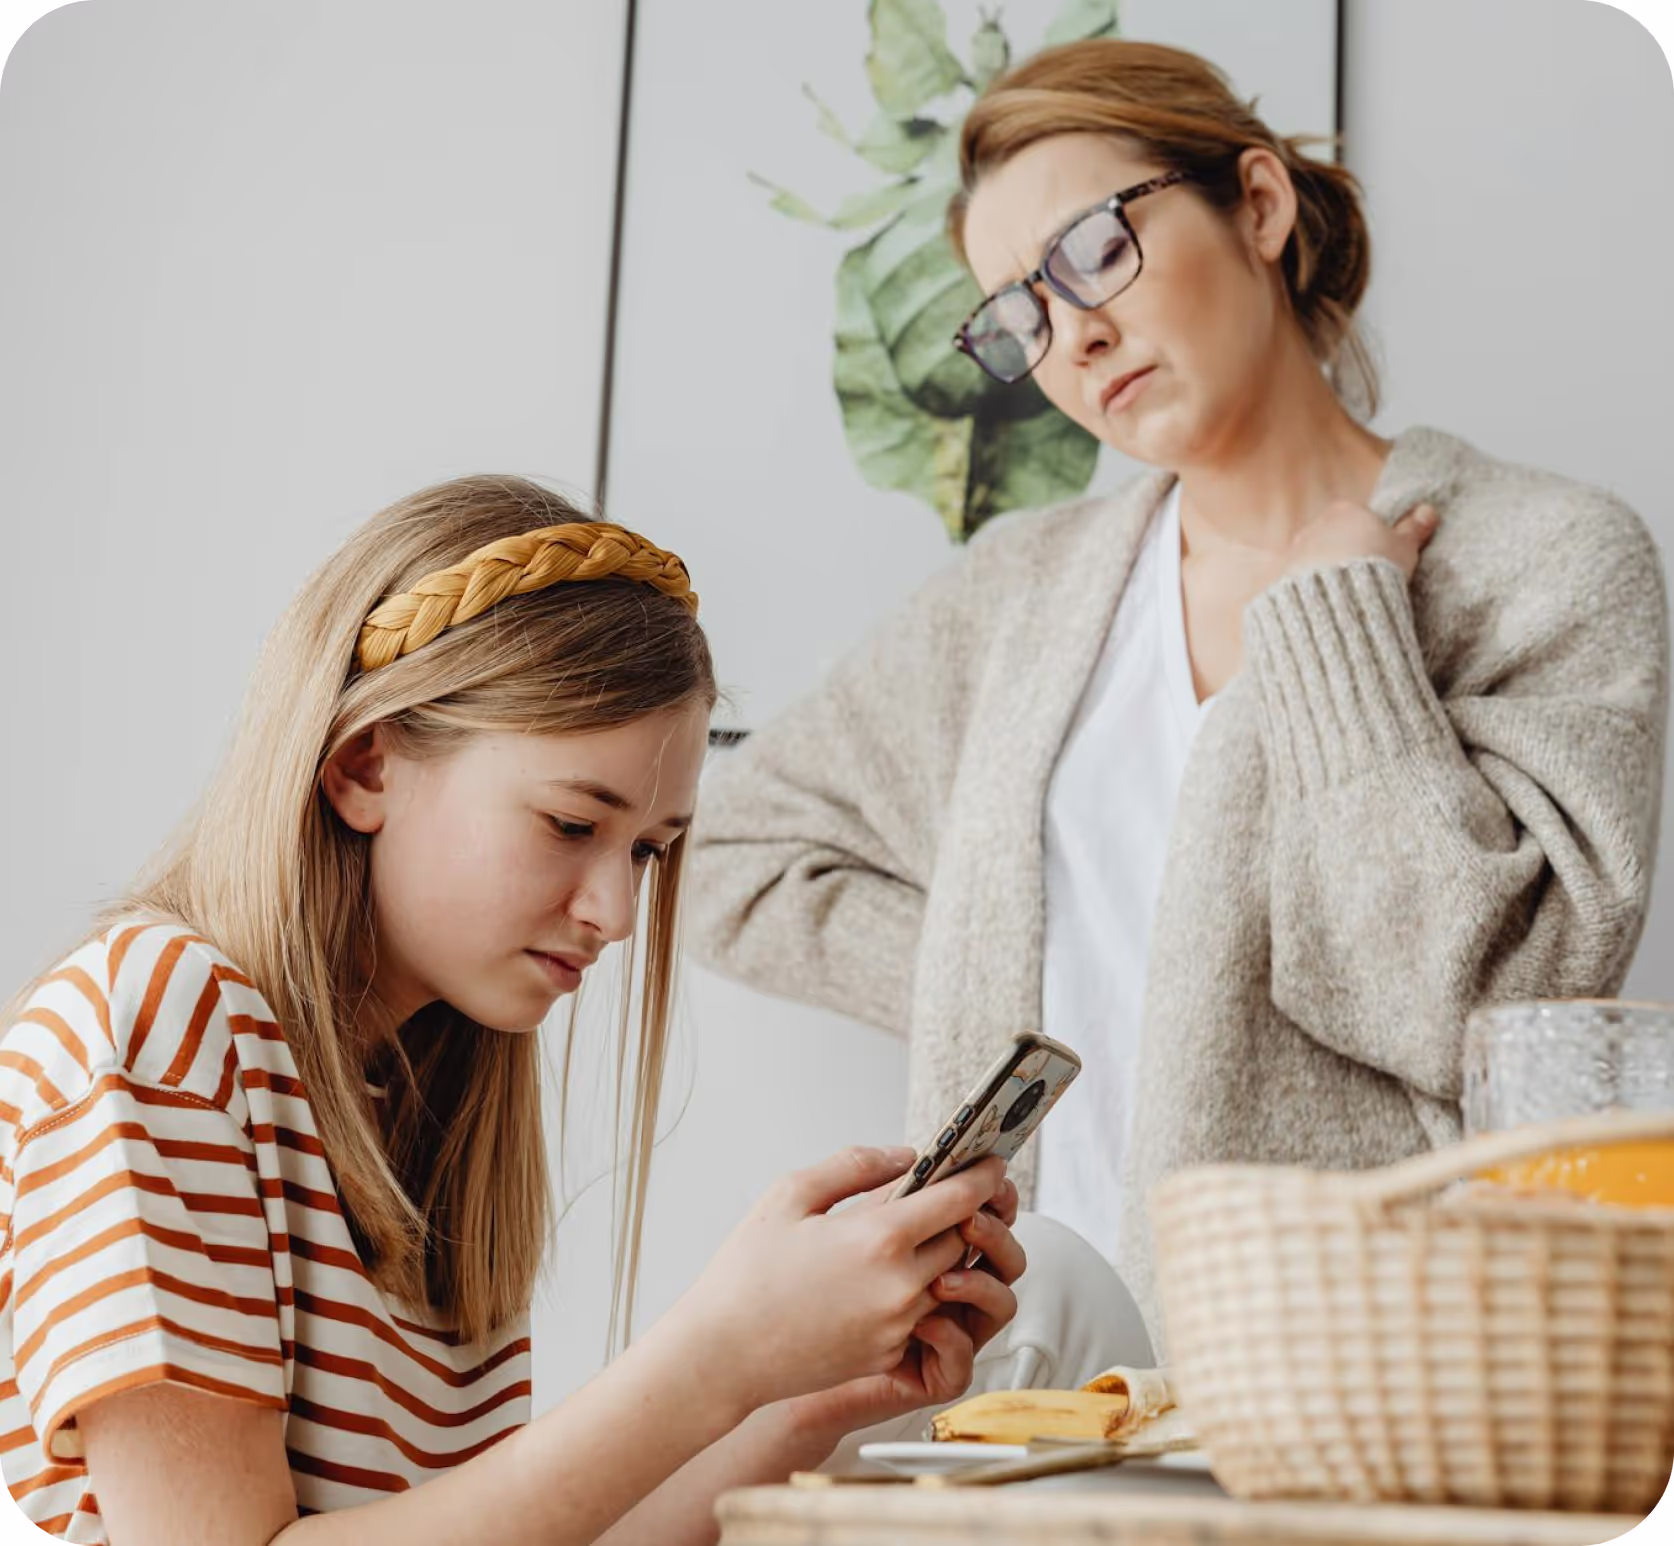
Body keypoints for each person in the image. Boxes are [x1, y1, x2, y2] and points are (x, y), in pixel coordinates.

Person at [686, 39, 1671, 1346]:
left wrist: (1340, 620)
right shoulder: (1018, 600)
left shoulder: (1542, 559)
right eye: (1018, 315)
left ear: (1256, 205)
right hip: (1018, 1392)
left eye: (1094, 248)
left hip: (1361, 1379)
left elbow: (1472, 1008)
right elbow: (732, 855)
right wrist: (1006, 968)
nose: (1074, 331)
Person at [0, 477, 1034, 1545]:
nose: (618, 911)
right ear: (366, 765)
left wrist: (799, 1399)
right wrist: (720, 1351)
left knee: (1051, 1300)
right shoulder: (159, 1026)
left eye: (646, 851)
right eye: (568, 822)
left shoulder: (429, 1097)